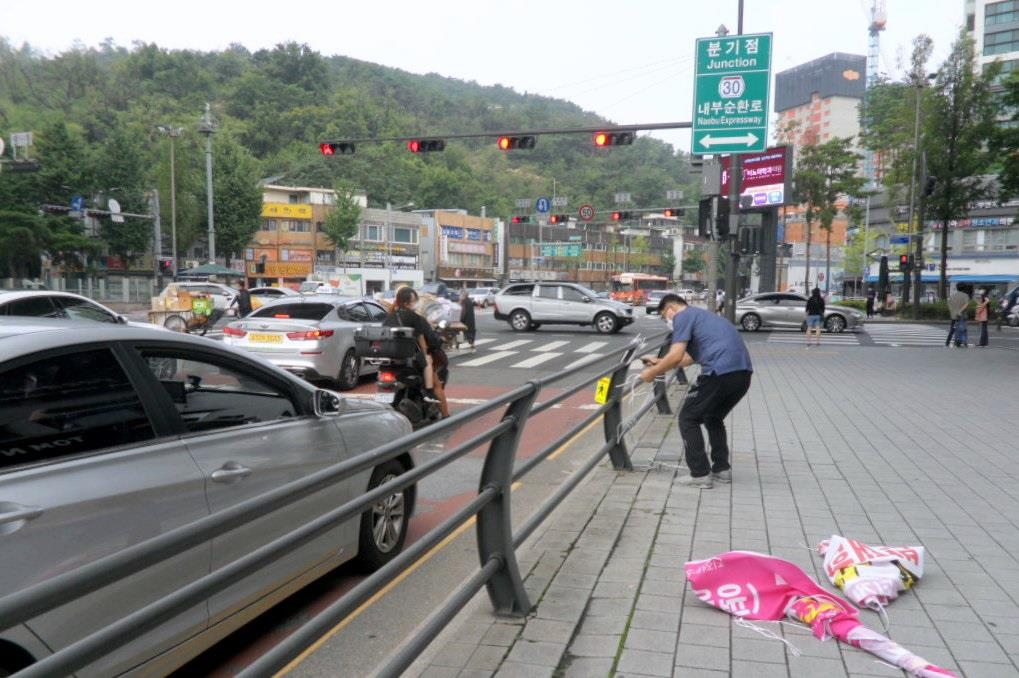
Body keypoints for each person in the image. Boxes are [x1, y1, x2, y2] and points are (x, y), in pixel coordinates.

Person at [639, 293, 753, 489]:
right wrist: (659, 362)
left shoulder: (682, 316)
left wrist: (652, 373)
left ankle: (700, 474)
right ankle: (721, 469)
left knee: (688, 418)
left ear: (671, 309)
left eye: (664, 316)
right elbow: (688, 359)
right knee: (712, 416)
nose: (667, 320)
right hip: (742, 374)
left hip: (719, 373)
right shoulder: (705, 317)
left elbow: (675, 356)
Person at [382, 287, 450, 418]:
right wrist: (426, 354)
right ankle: (445, 414)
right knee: (436, 384)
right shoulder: (415, 317)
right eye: (415, 300)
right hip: (411, 360)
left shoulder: (389, 317)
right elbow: (423, 341)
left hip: (391, 360)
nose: (417, 302)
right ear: (407, 303)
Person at [946, 282, 971, 348]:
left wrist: (953, 311)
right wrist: (960, 311)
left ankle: (947, 342)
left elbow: (948, 304)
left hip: (954, 315)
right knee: (963, 329)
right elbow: (966, 304)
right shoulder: (965, 295)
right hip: (962, 315)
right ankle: (963, 342)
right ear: (964, 288)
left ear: (957, 288)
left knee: (952, 329)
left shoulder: (952, 296)